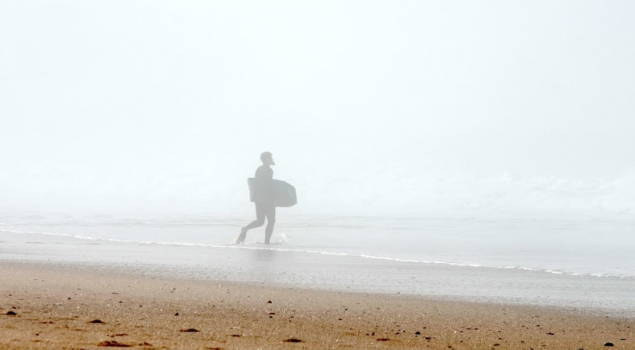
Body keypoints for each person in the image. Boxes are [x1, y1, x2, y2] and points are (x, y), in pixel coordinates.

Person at [235, 152, 276, 244]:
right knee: (271, 221)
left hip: (259, 199)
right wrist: (275, 198)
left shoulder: (259, 169)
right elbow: (269, 185)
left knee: (260, 221)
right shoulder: (269, 171)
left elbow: (258, 184)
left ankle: (245, 228)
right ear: (266, 159)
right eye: (270, 158)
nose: (272, 159)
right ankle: (266, 242)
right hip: (267, 199)